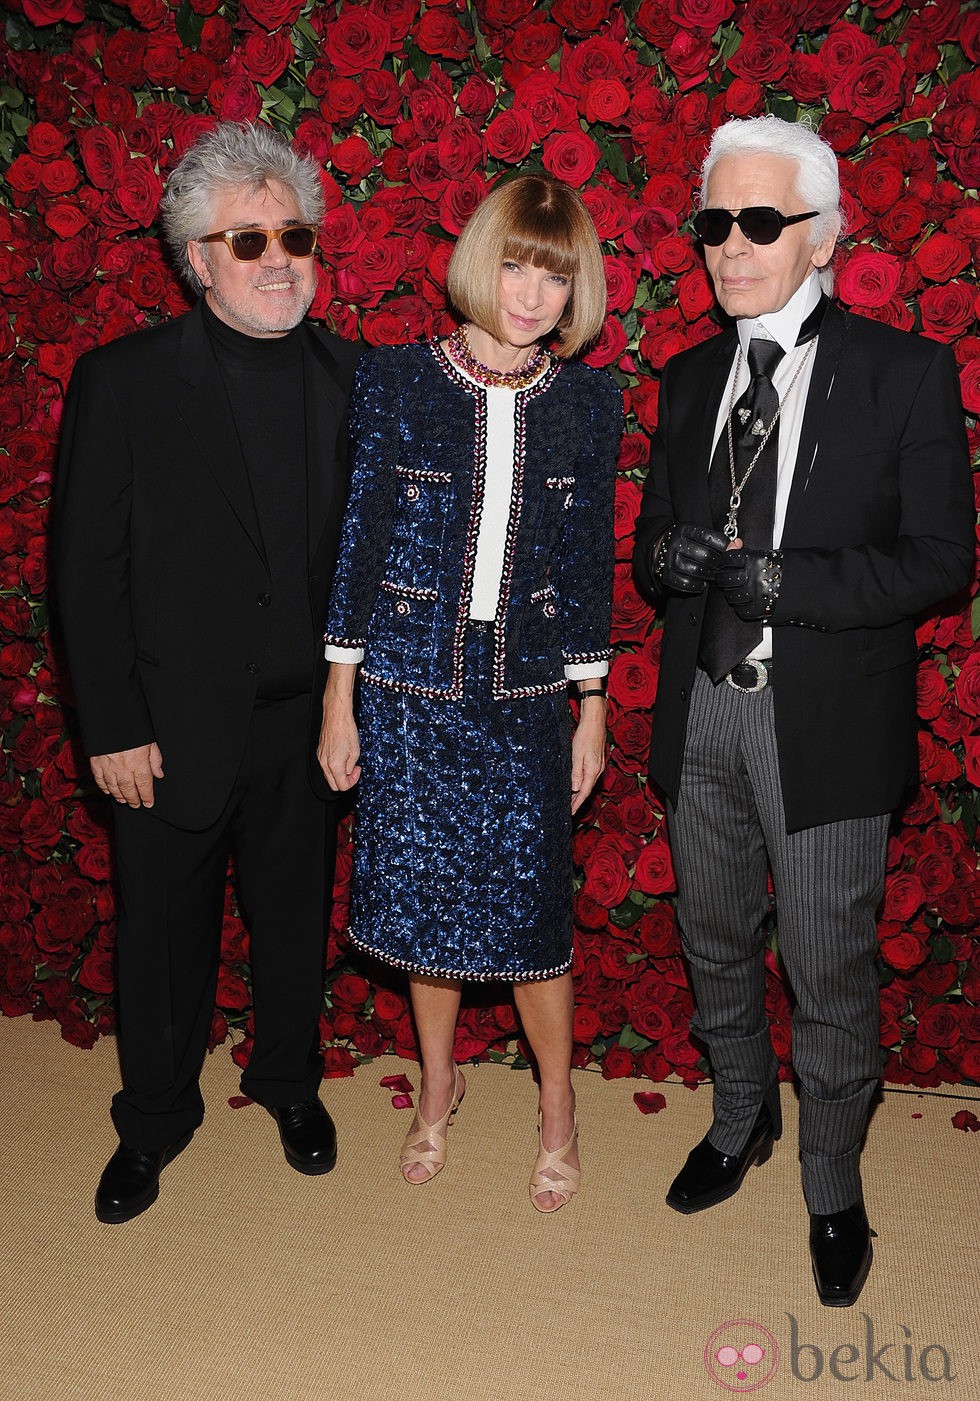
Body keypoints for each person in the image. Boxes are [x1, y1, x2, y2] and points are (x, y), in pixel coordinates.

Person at [633, 116, 973, 1304]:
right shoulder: (683, 378)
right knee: (712, 941)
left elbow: (940, 558)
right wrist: (668, 559)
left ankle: (831, 1183)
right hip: (702, 719)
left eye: (760, 223)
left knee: (827, 973)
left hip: (823, 726)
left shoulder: (902, 373)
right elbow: (646, 553)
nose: (730, 248)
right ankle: (740, 1124)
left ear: (822, 236)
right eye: (713, 223)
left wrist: (791, 584)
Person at [55, 122, 362, 1223]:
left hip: (305, 724)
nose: (279, 257)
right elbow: (85, 569)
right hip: (167, 726)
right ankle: (152, 1121)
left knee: (292, 922)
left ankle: (287, 1085)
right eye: (247, 241)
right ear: (195, 260)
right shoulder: (124, 380)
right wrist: (112, 723)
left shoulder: (355, 377)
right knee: (162, 934)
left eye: (294, 233)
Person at [318, 174, 622, 1212]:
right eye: (515, 264)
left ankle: (554, 1109)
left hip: (527, 690)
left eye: (554, 273)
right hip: (407, 686)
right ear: (478, 261)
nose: (531, 293)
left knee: (533, 918)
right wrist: (336, 696)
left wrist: (591, 707)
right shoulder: (399, 381)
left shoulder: (586, 399)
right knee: (421, 910)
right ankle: (436, 1090)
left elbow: (587, 562)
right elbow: (358, 545)